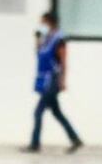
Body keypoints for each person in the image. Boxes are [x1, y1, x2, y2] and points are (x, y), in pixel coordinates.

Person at [23, 11, 82, 154]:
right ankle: (75, 139)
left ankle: (35, 144)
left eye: (42, 22)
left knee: (38, 112)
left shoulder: (59, 39)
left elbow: (63, 62)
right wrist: (37, 39)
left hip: (53, 81)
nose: (41, 25)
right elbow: (39, 54)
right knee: (57, 113)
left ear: (49, 22)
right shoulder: (47, 38)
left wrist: (63, 81)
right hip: (44, 80)